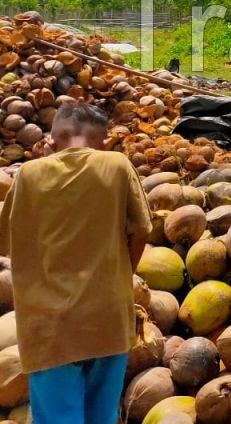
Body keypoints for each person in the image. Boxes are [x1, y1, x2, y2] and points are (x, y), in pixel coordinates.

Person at [0, 102, 152, 424]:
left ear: (52, 141)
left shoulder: (28, 174)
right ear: (104, 140)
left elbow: (6, 242)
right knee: (102, 416)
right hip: (107, 320)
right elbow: (141, 230)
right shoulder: (118, 165)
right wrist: (124, 276)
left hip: (49, 329)